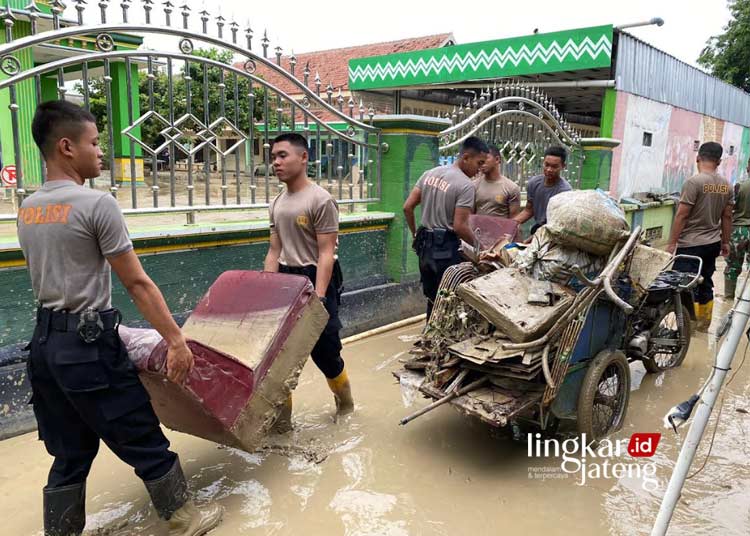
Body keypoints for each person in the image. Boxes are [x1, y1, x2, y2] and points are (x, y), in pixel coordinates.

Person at [17, 101, 222, 536]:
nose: (100, 152)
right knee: (141, 434)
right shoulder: (97, 204)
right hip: (89, 347)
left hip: (44, 347)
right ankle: (184, 520)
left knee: (70, 453)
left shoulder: (29, 208)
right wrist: (176, 340)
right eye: (94, 143)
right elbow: (138, 284)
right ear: (67, 147)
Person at [263, 133, 353, 422]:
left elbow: (326, 252)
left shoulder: (320, 200)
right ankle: (282, 426)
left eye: (282, 155)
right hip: (286, 279)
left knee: (325, 351)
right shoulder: (276, 203)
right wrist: (268, 289)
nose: (276, 162)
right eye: (273, 156)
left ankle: (346, 406)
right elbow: (274, 250)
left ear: (303, 158)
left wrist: (321, 297)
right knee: (280, 357)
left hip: (317, 276)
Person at [403, 136, 488, 320]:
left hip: (424, 246)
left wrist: (414, 233)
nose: (480, 169)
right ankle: (442, 344)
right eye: (478, 163)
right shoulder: (465, 185)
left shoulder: (430, 173)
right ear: (465, 157)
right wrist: (481, 248)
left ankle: (429, 336)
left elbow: (407, 207)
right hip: (446, 249)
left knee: (432, 297)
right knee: (449, 299)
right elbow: (460, 226)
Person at [666, 142, 733, 330]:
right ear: (719, 161)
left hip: (690, 245)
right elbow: (727, 216)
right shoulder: (726, 185)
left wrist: (671, 243)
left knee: (684, 284)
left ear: (698, 158)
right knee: (706, 281)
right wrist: (725, 242)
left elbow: (682, 214)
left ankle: (687, 328)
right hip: (713, 243)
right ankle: (704, 324)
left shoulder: (693, 183)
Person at [513, 146, 572, 234]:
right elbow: (528, 210)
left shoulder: (565, 191)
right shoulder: (533, 183)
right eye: (546, 165)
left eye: (554, 167)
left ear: (563, 166)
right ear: (543, 163)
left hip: (554, 232)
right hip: (538, 228)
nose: (549, 169)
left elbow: (557, 224)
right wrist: (510, 224)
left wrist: (530, 241)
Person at [723, 157, 750, 299]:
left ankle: (728, 298)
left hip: (739, 231)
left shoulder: (740, 186)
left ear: (748, 168)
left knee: (732, 267)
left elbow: (729, 210)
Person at [473, 144, 521, 219]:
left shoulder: (511, 188)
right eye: (480, 159)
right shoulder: (474, 186)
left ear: (497, 159)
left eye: (486, 158)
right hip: (478, 230)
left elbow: (514, 221)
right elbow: (469, 216)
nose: (482, 162)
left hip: (502, 230)